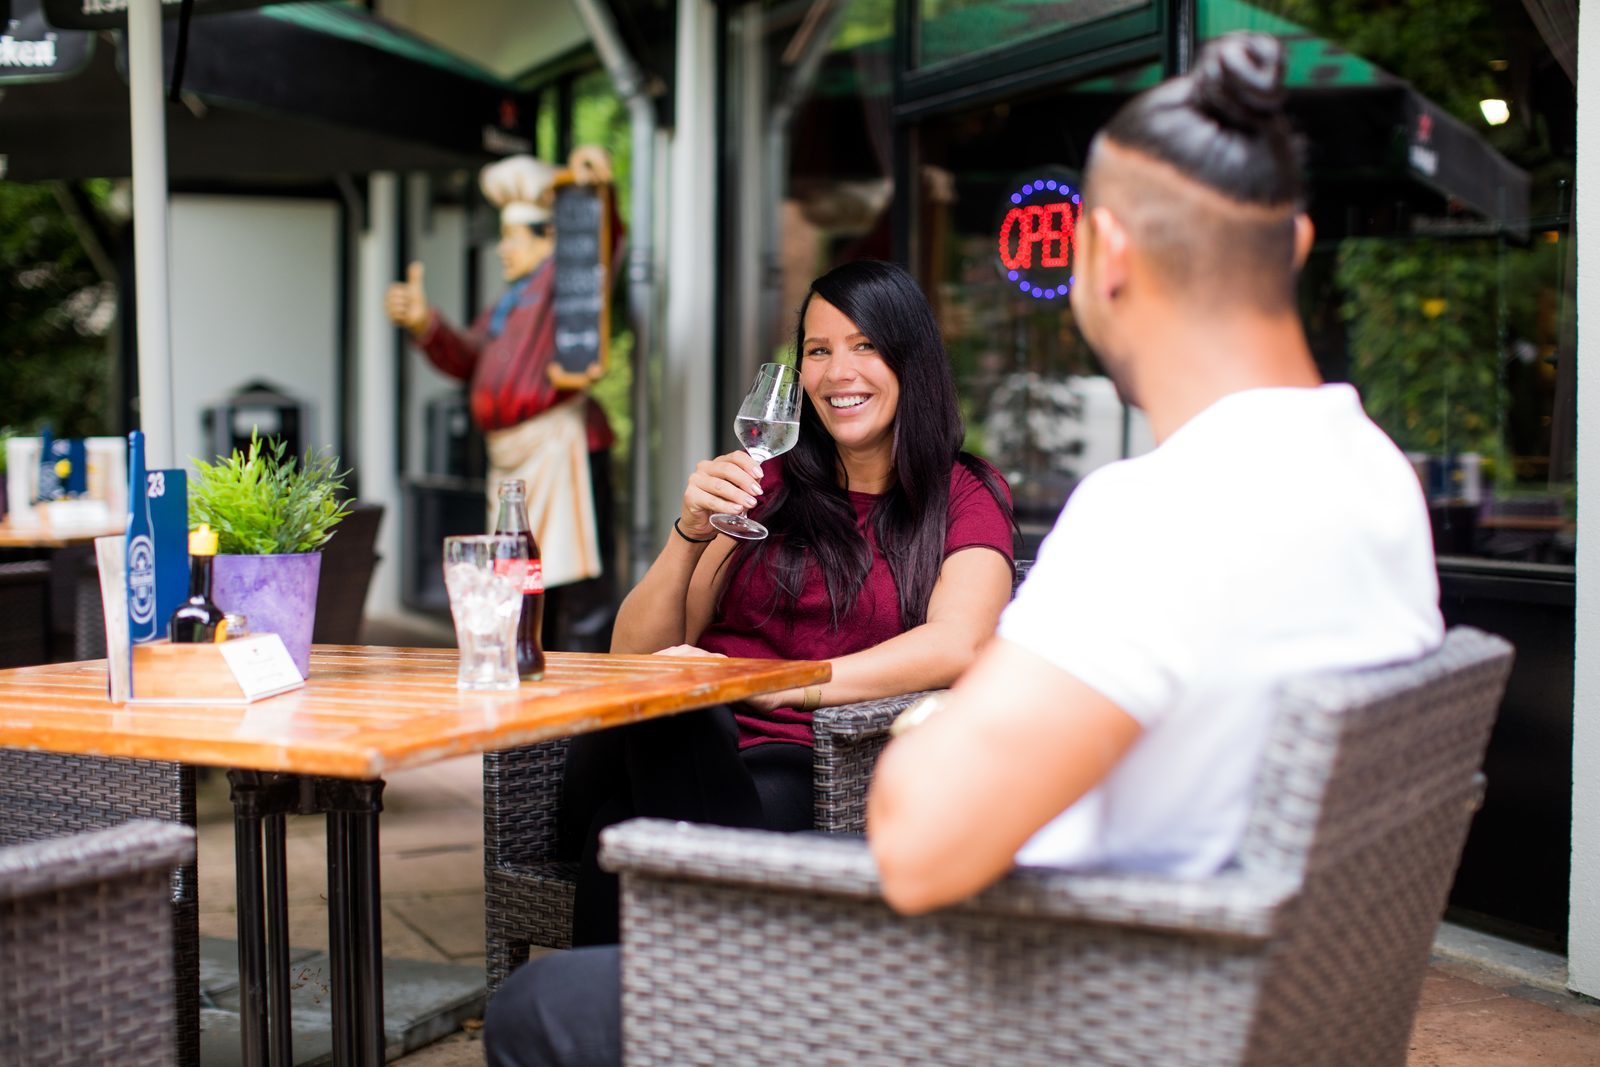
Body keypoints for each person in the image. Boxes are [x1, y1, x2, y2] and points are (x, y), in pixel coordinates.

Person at [483, 33, 1444, 1065]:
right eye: (819, 348)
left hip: (1048, 991)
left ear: (1106, 256)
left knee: (535, 1006)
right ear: (1293, 243)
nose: (837, 370)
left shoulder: (1151, 512)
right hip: (1202, 985)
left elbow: (921, 839)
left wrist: (923, 724)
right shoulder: (1375, 479)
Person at [482, 258, 1015, 1066]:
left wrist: (775, 683)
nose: (838, 372)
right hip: (682, 741)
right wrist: (691, 527)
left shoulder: (961, 493)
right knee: (660, 710)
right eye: (817, 349)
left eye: (865, 345)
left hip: (802, 764)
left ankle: (613, 1029)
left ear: (911, 359)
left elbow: (961, 642)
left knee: (618, 822)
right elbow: (639, 649)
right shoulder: (770, 485)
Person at [386, 148, 619, 648]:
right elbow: (470, 360)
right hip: (516, 459)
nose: (502, 248)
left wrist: (596, 201)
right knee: (522, 575)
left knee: (574, 588)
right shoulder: (510, 303)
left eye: (513, 237)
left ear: (550, 238)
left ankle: (581, 688)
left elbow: (601, 249)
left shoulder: (561, 284)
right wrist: (428, 324)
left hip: (560, 449)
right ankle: (532, 666)